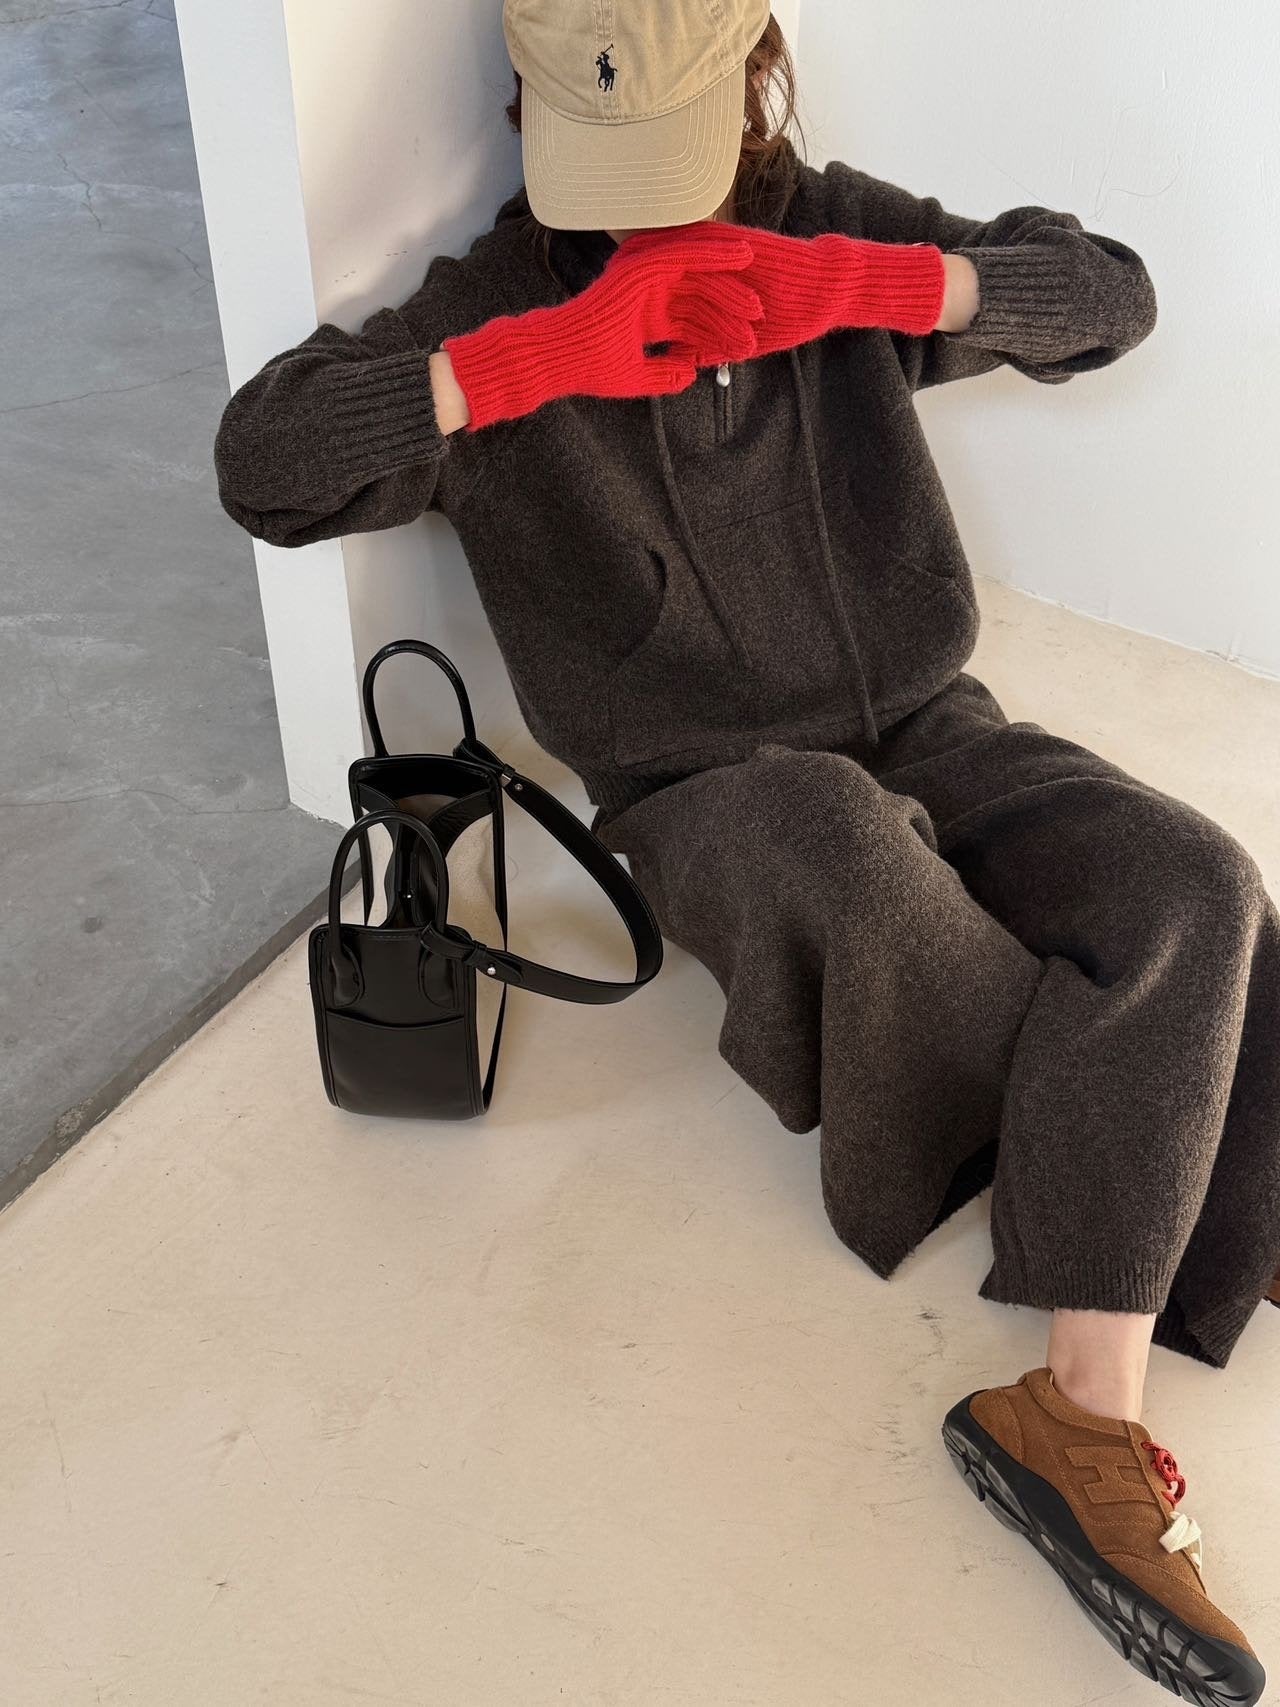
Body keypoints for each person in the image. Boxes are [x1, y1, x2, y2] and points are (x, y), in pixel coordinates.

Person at [212, 3, 1279, 1699]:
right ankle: (1154, 1167)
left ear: (753, 82)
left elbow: (1110, 296)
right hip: (703, 787)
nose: (644, 211)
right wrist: (522, 367)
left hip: (937, 723)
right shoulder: (492, 307)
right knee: (854, 859)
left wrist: (875, 288)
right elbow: (262, 466)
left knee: (1197, 880)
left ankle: (1085, 1372)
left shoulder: (824, 228)